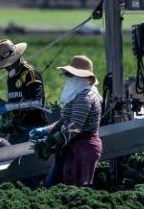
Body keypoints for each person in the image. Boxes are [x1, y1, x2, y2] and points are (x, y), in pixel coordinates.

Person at [29, 55, 103, 187]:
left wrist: (51, 141)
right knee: (54, 185)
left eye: (72, 75)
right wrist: (46, 130)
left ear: (84, 78)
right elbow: (65, 121)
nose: (69, 78)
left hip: (82, 150)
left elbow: (74, 127)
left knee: (71, 190)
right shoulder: (78, 94)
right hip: (70, 146)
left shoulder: (85, 97)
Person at [0, 38, 46, 143]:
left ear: (17, 57)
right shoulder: (11, 76)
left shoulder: (30, 73)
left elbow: (37, 102)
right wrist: (3, 104)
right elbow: (17, 100)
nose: (7, 67)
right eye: (5, 65)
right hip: (17, 127)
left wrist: (9, 106)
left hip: (33, 126)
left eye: (10, 63)